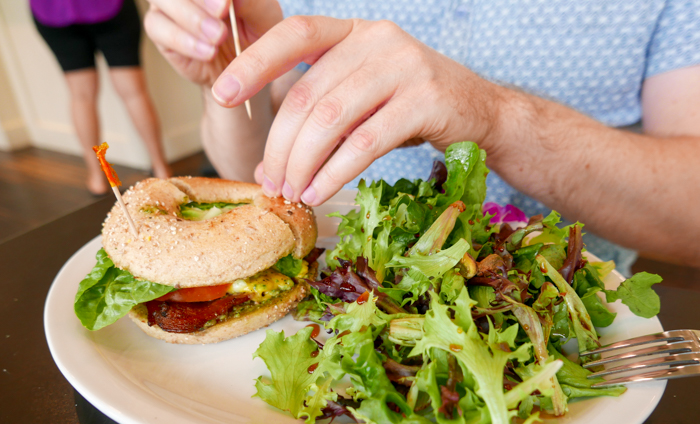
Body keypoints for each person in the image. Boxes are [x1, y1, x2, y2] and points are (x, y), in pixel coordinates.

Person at [144, 0, 700, 273]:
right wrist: (226, 77)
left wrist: (495, 117)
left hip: (573, 341)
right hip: (333, 328)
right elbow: (256, 172)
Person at [31, 0, 172, 195]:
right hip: (105, 7)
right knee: (134, 93)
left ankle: (97, 178)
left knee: (81, 96)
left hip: (54, 11)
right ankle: (161, 170)